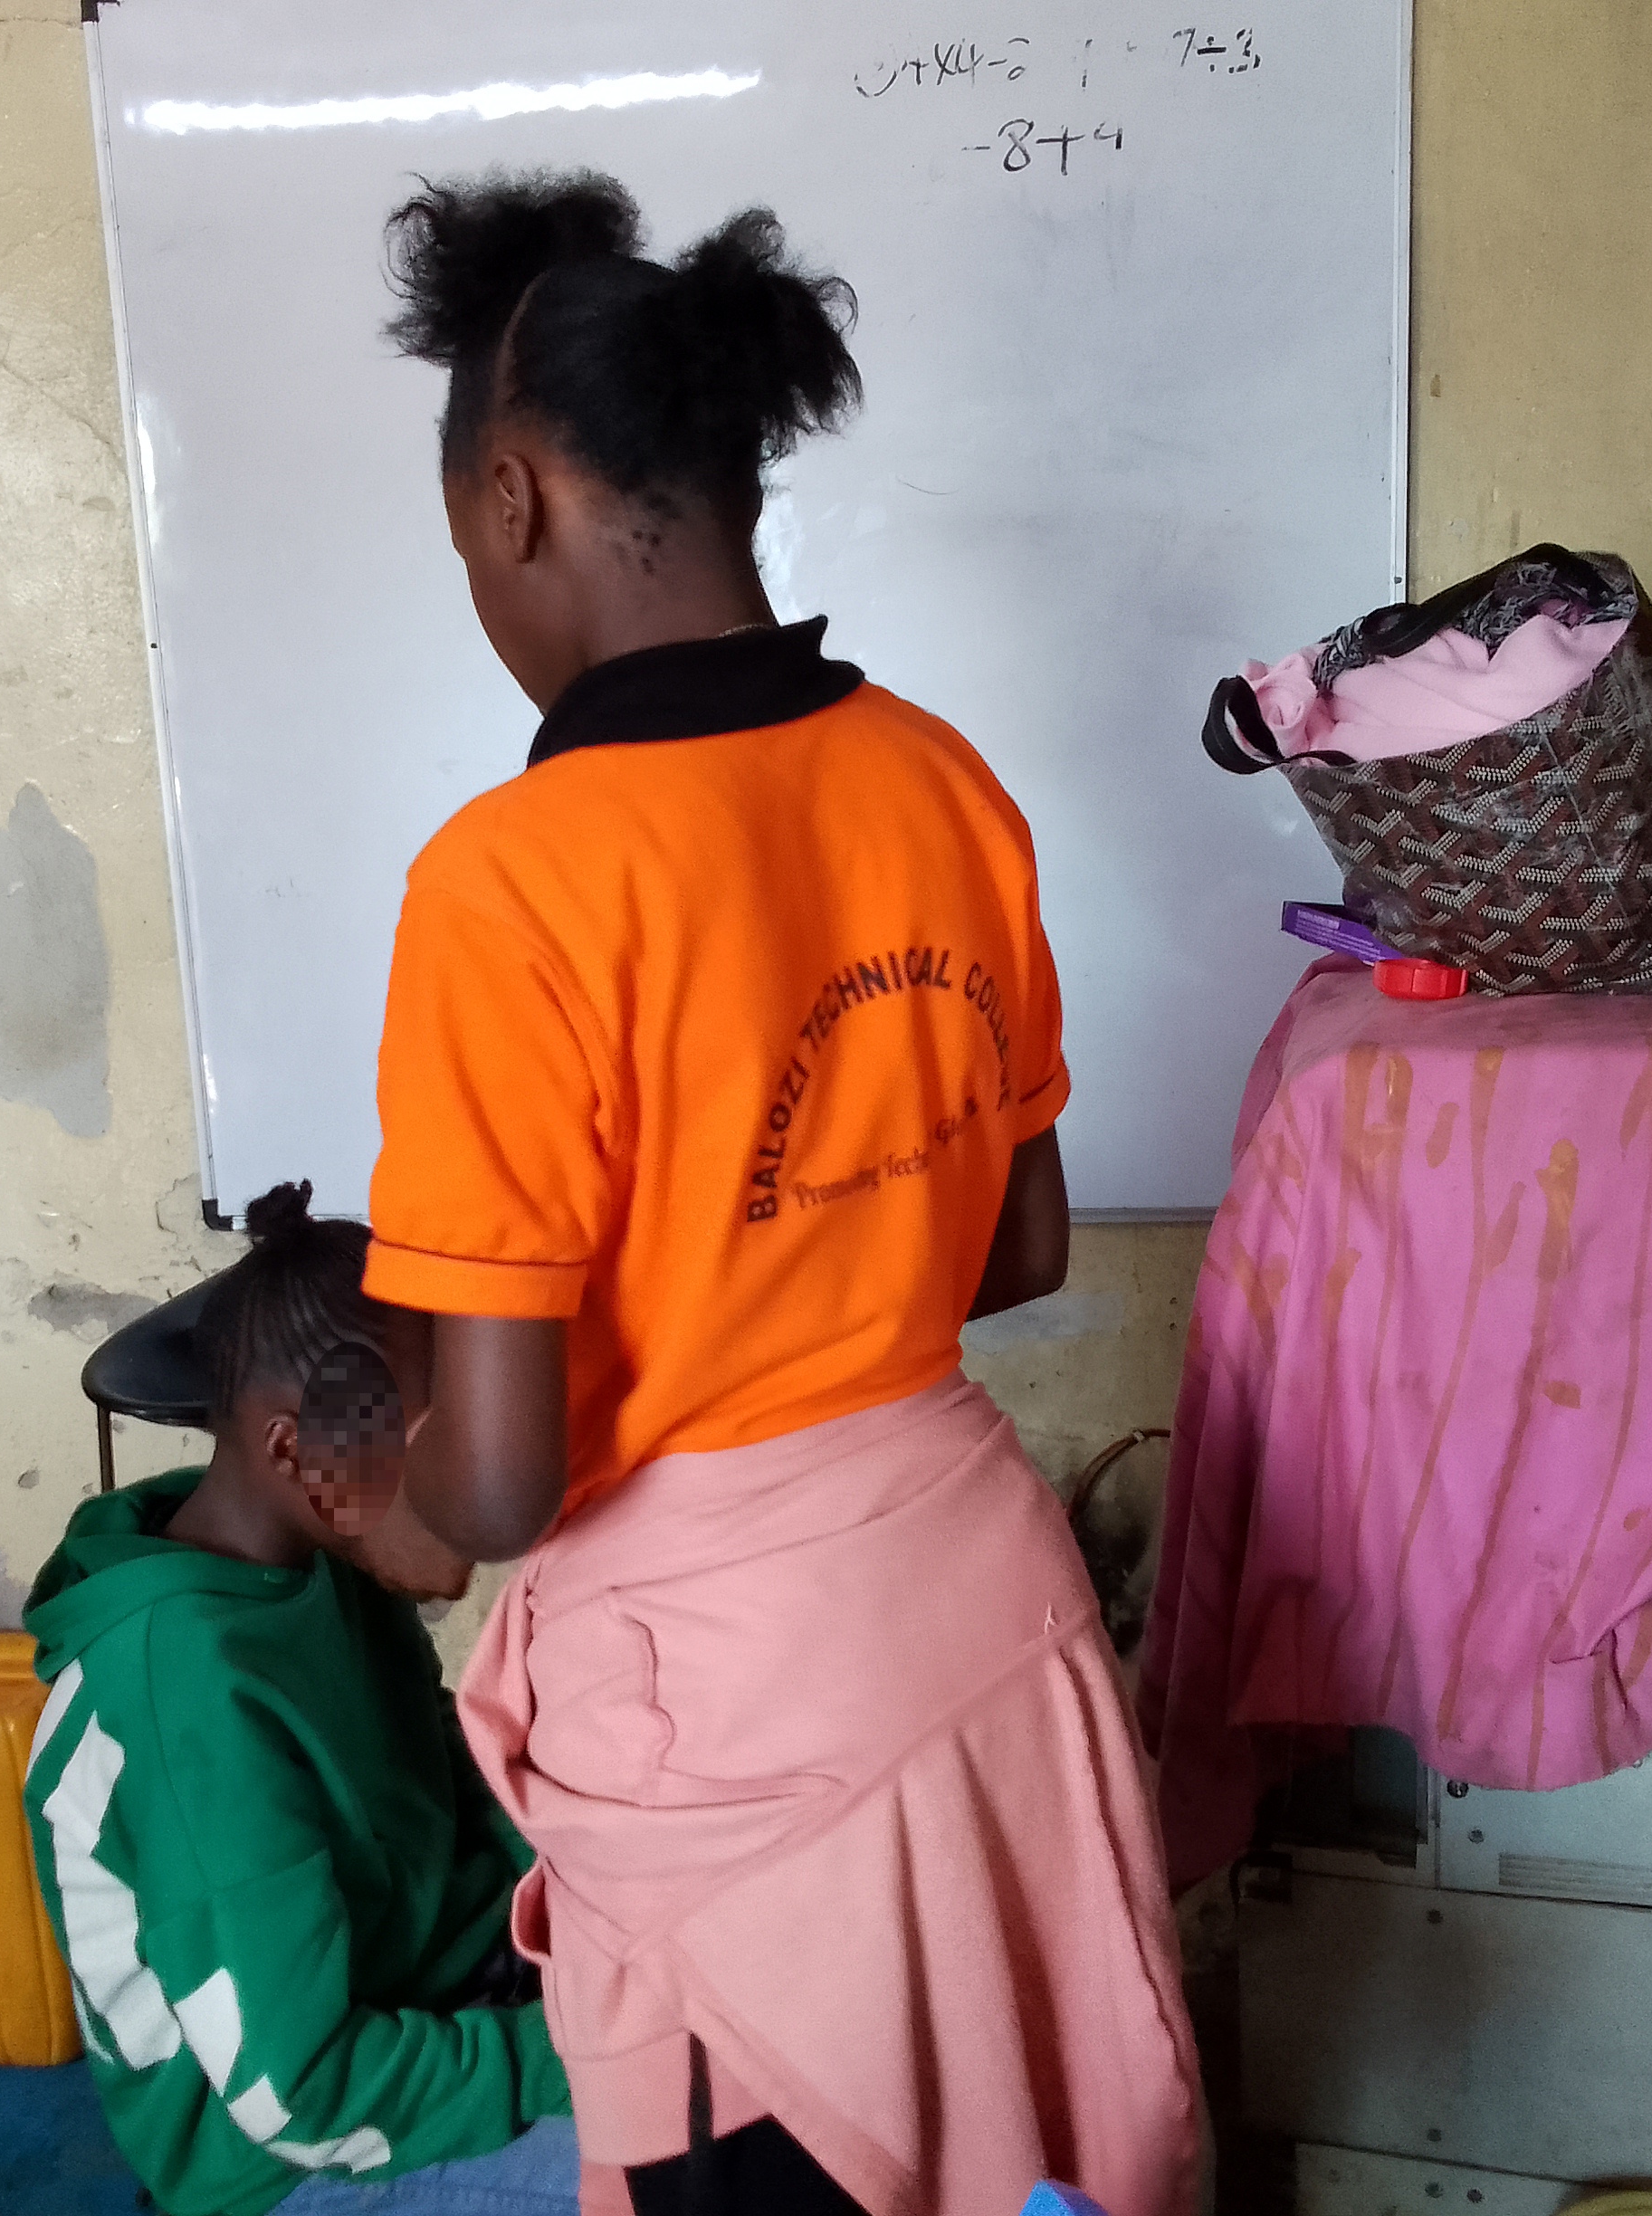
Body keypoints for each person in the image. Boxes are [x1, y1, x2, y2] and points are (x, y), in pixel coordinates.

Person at [363, 173, 1204, 2216]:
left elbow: (497, 1485)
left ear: (511, 500)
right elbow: (1019, 1242)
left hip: (726, 1704)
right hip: (976, 1609)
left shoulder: (511, 880)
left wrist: (385, 1471)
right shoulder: (937, 776)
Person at [22, 1182, 576, 2216]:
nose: (478, 1484)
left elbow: (446, 1779)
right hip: (299, 2154)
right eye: (436, 1447)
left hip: (446, 2005)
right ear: (293, 1450)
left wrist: (579, 1914)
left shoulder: (321, 1568)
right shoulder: (189, 1691)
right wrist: (583, 2053)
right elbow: (305, 2093)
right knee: (708, 2164)